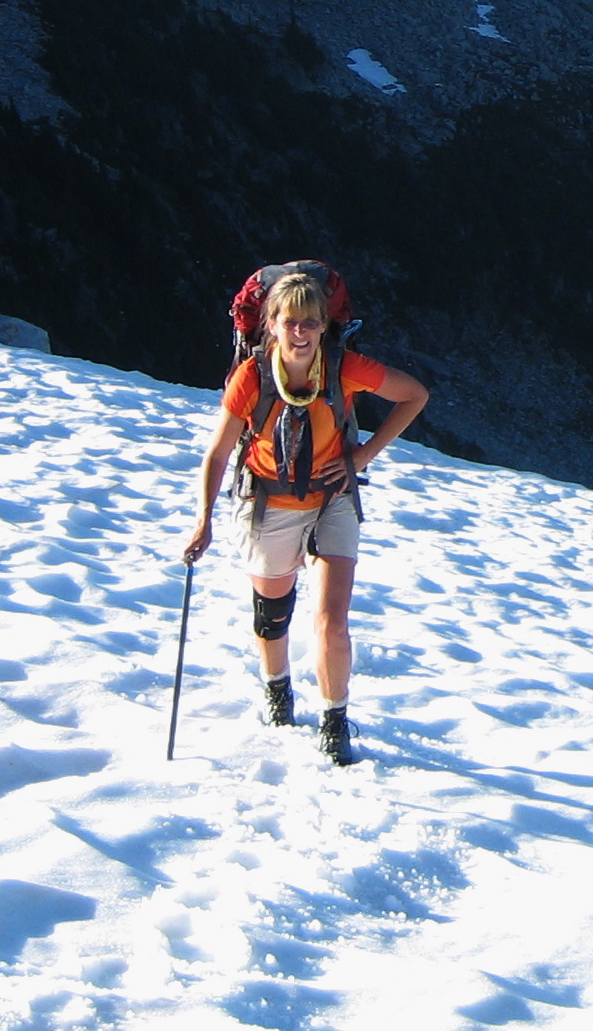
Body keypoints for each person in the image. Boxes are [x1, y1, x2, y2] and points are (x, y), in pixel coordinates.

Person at [182, 267, 428, 764]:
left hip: (330, 500)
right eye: (291, 322)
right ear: (271, 324)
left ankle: (334, 721)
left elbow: (414, 394)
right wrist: (203, 521)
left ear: (323, 326)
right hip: (268, 502)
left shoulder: (343, 368)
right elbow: (218, 454)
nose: (301, 333)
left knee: (331, 621)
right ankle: (277, 688)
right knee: (272, 615)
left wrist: (361, 458)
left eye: (311, 323)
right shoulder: (251, 377)